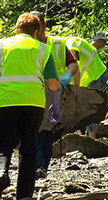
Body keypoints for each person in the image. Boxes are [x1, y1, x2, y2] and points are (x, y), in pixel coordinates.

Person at [0, 12, 60, 200]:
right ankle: (24, 195)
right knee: (28, 148)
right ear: (36, 31)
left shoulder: (1, 45)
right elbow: (53, 83)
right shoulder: (43, 49)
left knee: (3, 145)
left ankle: (1, 173)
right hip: (33, 105)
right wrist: (56, 103)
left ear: (16, 29)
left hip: (4, 102)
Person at [30, 11, 79, 179]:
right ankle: (36, 166)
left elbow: (73, 64)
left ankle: (41, 167)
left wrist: (67, 75)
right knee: (33, 131)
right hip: (31, 94)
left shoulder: (57, 44)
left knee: (46, 132)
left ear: (43, 26)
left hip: (54, 96)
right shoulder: (24, 44)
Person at [65, 31, 108, 139]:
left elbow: (74, 65)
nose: (105, 44)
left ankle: (90, 138)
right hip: (95, 77)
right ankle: (82, 136)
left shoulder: (72, 44)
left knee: (89, 107)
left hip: (96, 77)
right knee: (83, 105)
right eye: (104, 41)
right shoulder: (73, 44)